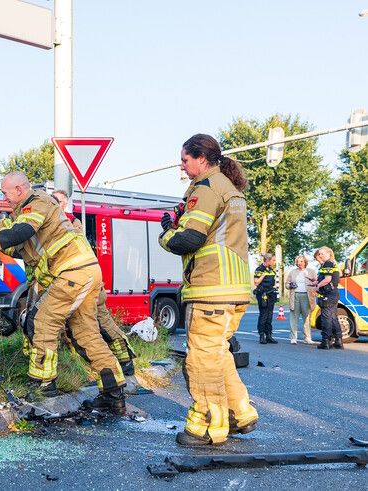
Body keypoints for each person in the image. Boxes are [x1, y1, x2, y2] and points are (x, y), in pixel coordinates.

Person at [0, 171, 127, 413]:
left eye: (5, 192)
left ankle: (43, 384)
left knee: (43, 321)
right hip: (82, 270)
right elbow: (9, 240)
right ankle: (114, 393)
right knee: (85, 334)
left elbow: (13, 235)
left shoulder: (37, 204)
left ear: (19, 190)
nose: (4, 197)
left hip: (71, 271)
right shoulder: (24, 213)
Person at [159, 134, 258, 447]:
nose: (182, 165)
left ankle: (206, 425)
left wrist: (166, 232)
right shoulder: (229, 189)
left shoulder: (206, 188)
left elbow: (189, 239)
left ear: (201, 158)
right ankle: (238, 412)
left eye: (185, 159)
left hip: (211, 288)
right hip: (234, 290)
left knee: (202, 360)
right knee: (218, 355)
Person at [51, 189, 149, 395]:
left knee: (98, 325)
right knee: (101, 323)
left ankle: (122, 362)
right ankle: (122, 361)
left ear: (64, 204)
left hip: (82, 283)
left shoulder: (71, 224)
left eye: (57, 200)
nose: (52, 203)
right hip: (86, 281)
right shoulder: (62, 222)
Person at [313, 246, 342, 349]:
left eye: (322, 253)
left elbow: (328, 279)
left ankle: (326, 341)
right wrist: (315, 282)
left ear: (329, 253)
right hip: (332, 293)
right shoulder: (331, 263)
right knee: (333, 317)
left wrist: (317, 286)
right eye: (319, 254)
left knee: (326, 318)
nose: (320, 255)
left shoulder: (328, 263)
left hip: (328, 294)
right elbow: (325, 278)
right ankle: (338, 341)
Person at [285, 255, 317, 344]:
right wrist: (290, 285)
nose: (299, 263)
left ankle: (307, 337)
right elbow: (286, 284)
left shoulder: (311, 271)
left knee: (306, 318)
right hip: (295, 295)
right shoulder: (292, 272)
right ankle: (293, 338)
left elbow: (316, 283)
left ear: (305, 262)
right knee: (294, 317)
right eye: (298, 262)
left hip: (307, 296)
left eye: (301, 261)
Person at [253, 253, 278, 344]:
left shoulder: (271, 270)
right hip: (262, 295)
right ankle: (261, 335)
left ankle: (269, 335)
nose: (274, 262)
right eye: (273, 260)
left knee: (270, 315)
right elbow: (256, 283)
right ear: (267, 260)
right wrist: (263, 275)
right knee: (263, 315)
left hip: (271, 294)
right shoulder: (259, 270)